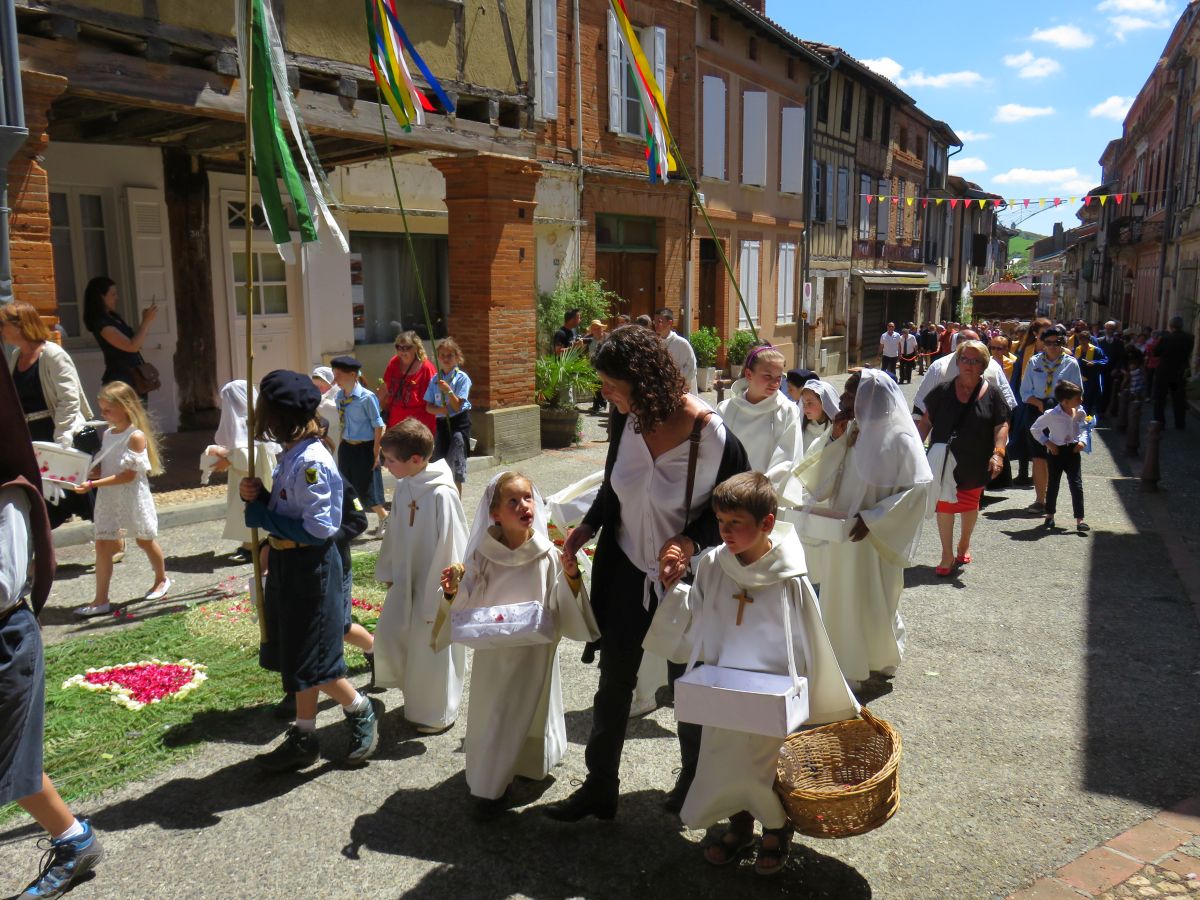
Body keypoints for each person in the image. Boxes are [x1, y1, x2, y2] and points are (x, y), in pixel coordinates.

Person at [544, 325, 750, 822]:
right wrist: (587, 527)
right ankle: (599, 787)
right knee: (614, 681)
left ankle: (694, 781)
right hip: (625, 570)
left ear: (643, 379)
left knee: (688, 685)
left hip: (686, 584)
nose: (605, 395)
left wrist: (691, 539)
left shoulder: (709, 432)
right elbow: (615, 486)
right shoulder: (627, 420)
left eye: (612, 384)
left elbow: (737, 505)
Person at [670, 473, 857, 875]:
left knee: (770, 762)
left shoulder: (789, 576)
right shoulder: (713, 566)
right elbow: (700, 617)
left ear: (767, 524)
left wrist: (815, 695)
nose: (726, 531)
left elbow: (810, 636)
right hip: (727, 681)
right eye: (721, 522)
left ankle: (776, 828)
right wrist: (677, 589)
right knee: (726, 756)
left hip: (773, 687)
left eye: (736, 523)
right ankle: (739, 823)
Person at [2, 361, 108, 900]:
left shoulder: (7, 494)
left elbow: (2, 588)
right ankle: (74, 837)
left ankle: (74, 839)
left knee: (11, 762)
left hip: (5, 638)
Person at [435, 472, 598, 819]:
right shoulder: (481, 555)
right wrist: (453, 589)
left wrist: (570, 576)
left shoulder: (547, 555)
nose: (524, 506)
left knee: (529, 711)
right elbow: (467, 601)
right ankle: (490, 787)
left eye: (527, 498)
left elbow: (563, 605)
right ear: (495, 514)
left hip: (533, 653)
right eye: (513, 501)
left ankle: (525, 764)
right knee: (494, 714)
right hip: (494, 653)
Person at [239, 370, 379, 771]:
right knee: (298, 656)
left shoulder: (312, 460)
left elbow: (320, 529)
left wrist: (264, 515)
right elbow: (291, 510)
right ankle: (304, 734)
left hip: (311, 567)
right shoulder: (292, 455)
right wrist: (263, 497)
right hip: (288, 562)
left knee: (312, 659)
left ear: (281, 416)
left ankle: (359, 708)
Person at [792, 370, 932, 687]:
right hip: (844, 533)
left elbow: (917, 490)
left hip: (876, 535)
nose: (842, 401)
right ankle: (846, 665)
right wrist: (834, 438)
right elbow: (822, 481)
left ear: (873, 400)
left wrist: (873, 519)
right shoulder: (851, 430)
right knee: (843, 599)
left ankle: (882, 656)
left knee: (878, 598)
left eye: (851, 396)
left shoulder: (901, 438)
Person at [373, 419, 469, 733]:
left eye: (390, 460)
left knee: (433, 647)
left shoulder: (442, 494)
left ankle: (438, 713)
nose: (384, 465)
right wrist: (389, 570)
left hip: (433, 586)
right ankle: (417, 704)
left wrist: (442, 593)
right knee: (411, 645)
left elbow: (452, 543)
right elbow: (394, 534)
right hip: (407, 580)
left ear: (415, 460)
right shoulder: (405, 486)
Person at [72, 381, 169, 618]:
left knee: (144, 540)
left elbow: (128, 475)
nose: (103, 415)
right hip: (109, 495)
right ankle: (101, 599)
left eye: (107, 410)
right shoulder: (108, 434)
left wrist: (93, 484)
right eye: (102, 409)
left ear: (125, 407)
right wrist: (85, 473)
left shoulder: (135, 436)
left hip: (130, 495)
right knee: (103, 544)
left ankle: (161, 578)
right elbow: (107, 468)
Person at [917, 341, 1010, 576]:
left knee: (970, 505)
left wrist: (998, 453)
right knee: (945, 506)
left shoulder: (993, 393)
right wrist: (915, 448)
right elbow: (926, 421)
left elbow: (1002, 424)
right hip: (945, 461)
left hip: (976, 461)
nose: (969, 365)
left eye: (975, 361)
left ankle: (964, 544)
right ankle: (946, 554)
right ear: (957, 362)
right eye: (964, 360)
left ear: (983, 365)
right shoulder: (942, 390)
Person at [2, 302, 96, 529]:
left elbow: (69, 399)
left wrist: (62, 437)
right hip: (31, 434)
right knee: (43, 495)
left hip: (55, 431)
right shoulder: (15, 356)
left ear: (19, 326)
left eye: (2, 324)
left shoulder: (53, 355)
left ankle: (111, 536)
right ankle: (42, 553)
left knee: (77, 492)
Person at [716, 345, 803, 500]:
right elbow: (716, 452)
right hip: (728, 495)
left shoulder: (787, 411)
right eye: (767, 376)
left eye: (779, 378)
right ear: (749, 374)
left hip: (763, 497)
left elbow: (787, 458)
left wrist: (756, 491)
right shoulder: (726, 409)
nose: (775, 384)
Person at [206, 381, 279, 563]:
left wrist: (226, 461)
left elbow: (247, 459)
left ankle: (251, 546)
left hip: (248, 477)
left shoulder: (245, 422)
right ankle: (257, 542)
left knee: (245, 507)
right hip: (255, 474)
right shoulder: (255, 419)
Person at [1019, 326, 1082, 512]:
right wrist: (1039, 404)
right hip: (1037, 410)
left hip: (1060, 413)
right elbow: (1024, 392)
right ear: (1042, 344)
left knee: (1055, 457)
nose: (1053, 347)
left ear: (1063, 343)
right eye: (1048, 343)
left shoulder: (1071, 364)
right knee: (1039, 457)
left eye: (1058, 342)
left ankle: (1052, 500)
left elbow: (1078, 392)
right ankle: (1040, 500)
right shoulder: (1034, 362)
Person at [331, 356, 388, 534]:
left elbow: (378, 425)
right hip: (347, 446)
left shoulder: (367, 397)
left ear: (353, 375)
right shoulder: (340, 397)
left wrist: (376, 452)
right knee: (347, 486)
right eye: (334, 374)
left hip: (365, 447)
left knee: (368, 487)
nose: (335, 379)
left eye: (339, 374)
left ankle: (385, 518)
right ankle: (354, 521)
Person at [81, 276, 157, 400]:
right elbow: (132, 347)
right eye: (113, 294)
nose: (117, 298)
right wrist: (146, 322)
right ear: (101, 297)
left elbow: (137, 343)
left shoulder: (113, 318)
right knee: (128, 418)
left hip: (134, 378)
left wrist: (145, 321)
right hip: (121, 380)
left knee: (139, 417)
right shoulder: (102, 324)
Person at [1030, 381, 1090, 532]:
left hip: (1073, 451)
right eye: (1077, 399)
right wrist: (1048, 443)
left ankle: (1080, 519)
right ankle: (1050, 515)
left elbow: (1084, 428)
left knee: (1076, 485)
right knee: (1053, 484)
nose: (1081, 401)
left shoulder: (1080, 411)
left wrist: (1083, 441)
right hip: (1057, 452)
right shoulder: (1052, 415)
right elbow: (1035, 429)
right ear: (1065, 401)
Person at [913, 329, 1016, 417]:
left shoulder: (993, 367)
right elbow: (920, 406)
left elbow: (1007, 402)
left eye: (977, 344)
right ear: (958, 345)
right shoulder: (939, 366)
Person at [423, 338, 472, 494]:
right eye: (442, 355)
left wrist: (448, 391)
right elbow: (428, 407)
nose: (445, 359)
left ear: (457, 357)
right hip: (442, 425)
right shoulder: (434, 380)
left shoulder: (462, 378)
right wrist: (441, 411)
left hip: (458, 424)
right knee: (439, 465)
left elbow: (457, 406)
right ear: (437, 357)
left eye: (449, 355)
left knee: (456, 466)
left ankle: (457, 501)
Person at [1008, 317, 1052, 486]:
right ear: (1035, 334)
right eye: (1044, 332)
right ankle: (1023, 472)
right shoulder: (1026, 350)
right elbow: (1018, 377)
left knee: (1046, 438)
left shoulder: (1056, 350)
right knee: (1023, 435)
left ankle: (1043, 474)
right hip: (1026, 399)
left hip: (1048, 401)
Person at [380, 331, 437, 432]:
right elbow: (385, 389)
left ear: (415, 348)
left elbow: (434, 398)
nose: (402, 351)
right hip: (395, 423)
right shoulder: (394, 363)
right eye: (398, 347)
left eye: (406, 348)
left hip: (418, 426)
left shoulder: (427, 368)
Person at [1151, 315, 1195, 430]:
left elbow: (1156, 352)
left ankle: (1160, 422)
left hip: (1164, 372)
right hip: (1180, 372)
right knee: (1179, 399)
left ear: (1170, 326)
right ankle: (1180, 423)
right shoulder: (1190, 337)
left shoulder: (1165, 338)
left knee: (1160, 398)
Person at [653, 307, 698, 394]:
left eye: (660, 321)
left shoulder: (681, 343)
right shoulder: (655, 343)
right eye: (655, 321)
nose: (656, 325)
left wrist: (677, 381)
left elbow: (691, 367)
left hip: (681, 389)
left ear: (670, 322)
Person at [1072, 330, 1107, 417]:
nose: (1083, 342)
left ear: (1089, 340)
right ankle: (1079, 416)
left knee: (1090, 399)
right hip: (1080, 377)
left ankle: (1088, 417)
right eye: (1081, 340)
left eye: (1085, 340)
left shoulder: (1096, 350)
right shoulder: (1076, 350)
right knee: (1079, 398)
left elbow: (1105, 360)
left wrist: (1094, 362)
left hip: (1092, 378)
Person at [798, 379, 839, 453]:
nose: (805, 408)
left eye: (809, 403)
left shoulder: (837, 430)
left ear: (825, 403)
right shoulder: (801, 429)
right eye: (803, 403)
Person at [1096, 321, 1126, 413]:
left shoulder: (1119, 343)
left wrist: (1116, 369)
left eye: (1111, 329)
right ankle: (1097, 409)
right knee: (1098, 391)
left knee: (1108, 392)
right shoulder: (1099, 341)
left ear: (1115, 330)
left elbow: (1121, 358)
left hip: (1112, 371)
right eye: (1108, 328)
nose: (1109, 331)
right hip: (1100, 370)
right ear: (1105, 329)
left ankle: (1103, 411)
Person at [311, 365, 340, 447]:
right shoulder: (316, 401)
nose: (318, 390)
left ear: (331, 384)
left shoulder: (340, 397)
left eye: (321, 386)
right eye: (315, 387)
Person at [586, 319, 608, 414]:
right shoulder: (589, 339)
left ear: (602, 328)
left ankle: (602, 403)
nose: (597, 330)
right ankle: (596, 405)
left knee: (602, 385)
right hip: (592, 365)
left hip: (604, 365)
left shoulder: (607, 338)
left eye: (598, 328)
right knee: (594, 386)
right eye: (594, 328)